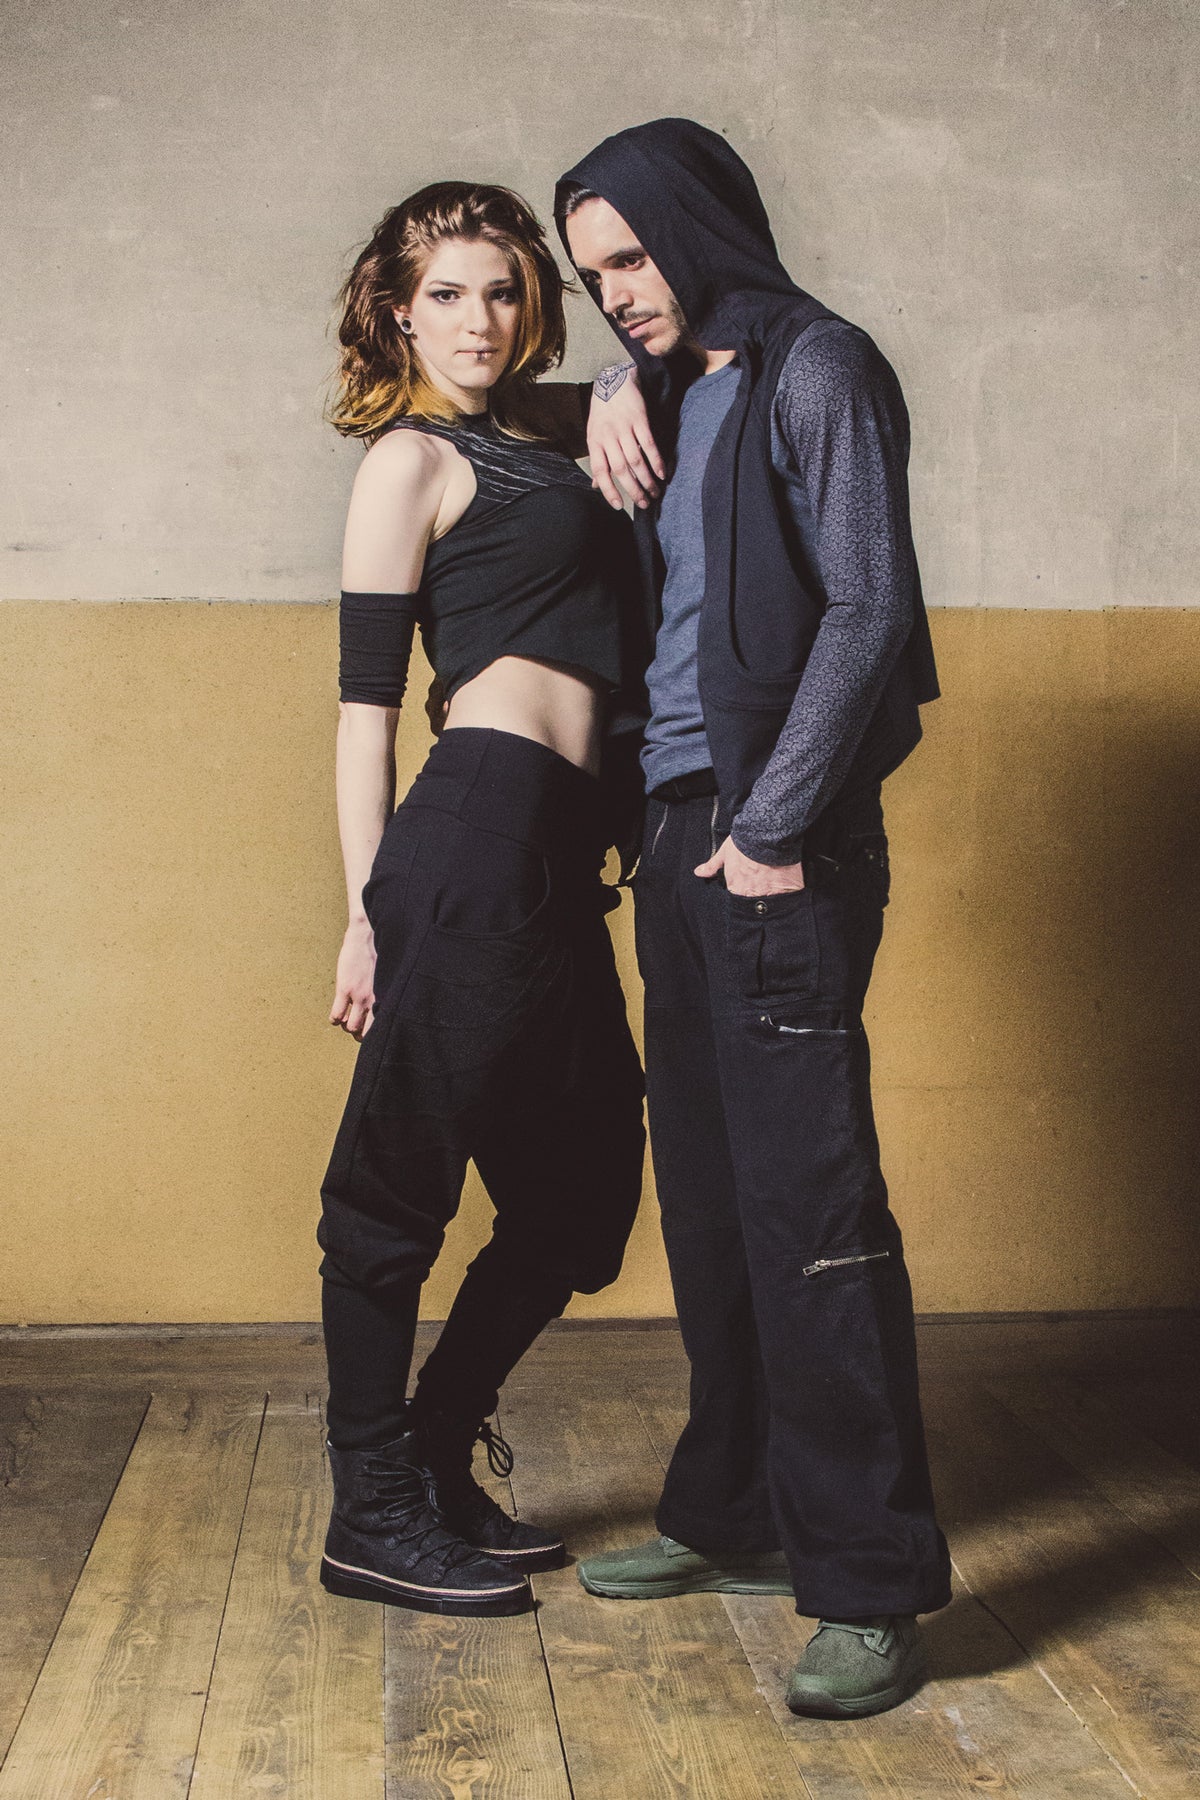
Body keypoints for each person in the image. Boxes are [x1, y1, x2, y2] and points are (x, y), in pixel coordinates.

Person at [554, 119, 953, 1717]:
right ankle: (735, 1516)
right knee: (715, 1206)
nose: (614, 294)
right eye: (591, 278)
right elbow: (499, 412)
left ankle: (870, 1584)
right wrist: (605, 386)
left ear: (700, 224)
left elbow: (870, 604)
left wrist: (775, 828)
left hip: (770, 835)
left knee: (811, 1216)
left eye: (630, 260)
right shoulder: (660, 392)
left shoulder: (819, 366)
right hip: (673, 837)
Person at [317, 181, 647, 1619]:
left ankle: (437, 1448)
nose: (478, 320)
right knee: (395, 1190)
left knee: (580, 1199)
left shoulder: (549, 430)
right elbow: (364, 715)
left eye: (504, 290)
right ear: (398, 310)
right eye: (445, 294)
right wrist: (365, 913)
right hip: (472, 832)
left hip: (564, 856)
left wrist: (619, 386)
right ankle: (372, 1511)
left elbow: (658, 378)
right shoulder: (411, 461)